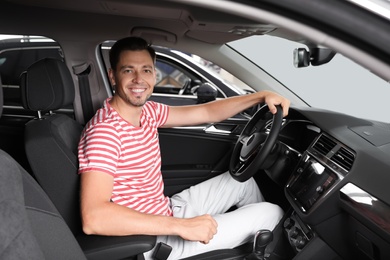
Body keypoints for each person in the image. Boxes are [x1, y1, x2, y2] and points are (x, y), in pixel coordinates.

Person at [78, 36, 290, 260]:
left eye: (146, 70)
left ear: (154, 75)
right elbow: (94, 217)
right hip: (155, 241)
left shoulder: (147, 112)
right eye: (128, 70)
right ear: (113, 76)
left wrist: (260, 96)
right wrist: (181, 226)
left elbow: (207, 112)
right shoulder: (105, 132)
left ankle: (252, 249)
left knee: (242, 182)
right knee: (271, 212)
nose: (138, 79)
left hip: (166, 210)